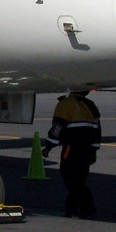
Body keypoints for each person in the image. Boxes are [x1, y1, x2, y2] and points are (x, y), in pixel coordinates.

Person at [41, 89, 101, 218]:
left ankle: (87, 207)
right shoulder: (90, 105)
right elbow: (97, 130)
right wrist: (94, 150)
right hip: (87, 149)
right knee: (80, 178)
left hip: (72, 148)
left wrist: (48, 147)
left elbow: (57, 128)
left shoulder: (66, 104)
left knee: (69, 176)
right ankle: (72, 209)